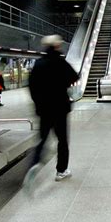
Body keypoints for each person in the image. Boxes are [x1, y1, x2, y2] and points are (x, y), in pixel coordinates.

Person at [24, 34, 79, 188]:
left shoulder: (39, 64)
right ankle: (61, 171)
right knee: (62, 141)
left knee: (42, 139)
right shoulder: (61, 63)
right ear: (56, 46)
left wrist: (38, 103)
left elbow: (32, 86)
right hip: (60, 109)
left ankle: (34, 165)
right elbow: (75, 76)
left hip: (44, 110)